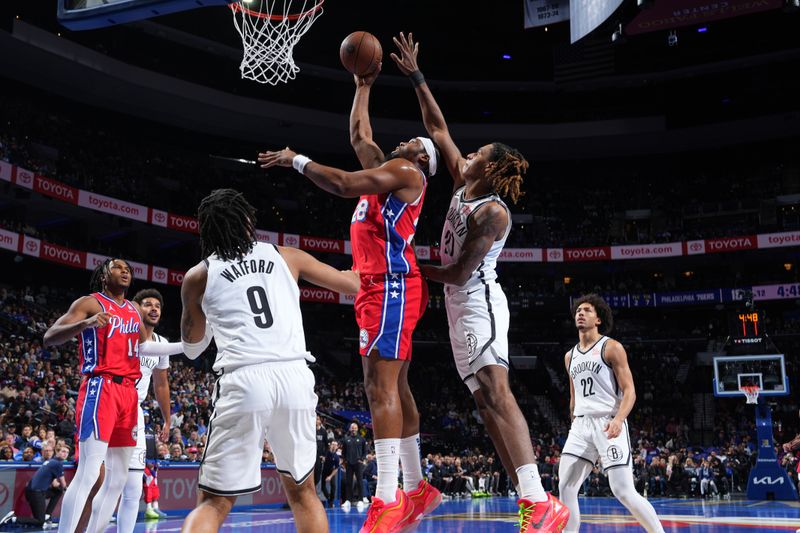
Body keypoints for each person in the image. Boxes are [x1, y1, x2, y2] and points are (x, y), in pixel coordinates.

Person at [390, 32, 568, 532]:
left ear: (489, 169)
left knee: (497, 391)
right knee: (484, 404)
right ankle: (529, 498)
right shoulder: (465, 182)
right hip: (456, 305)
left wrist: (403, 262)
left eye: (477, 151)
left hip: (477, 302)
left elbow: (459, 271)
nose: (465, 151)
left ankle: (539, 501)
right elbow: (438, 126)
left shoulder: (491, 211)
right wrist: (417, 77)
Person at [258, 74, 442, 532]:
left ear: (422, 158)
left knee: (380, 389)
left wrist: (296, 160)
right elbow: (360, 135)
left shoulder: (406, 172)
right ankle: (417, 487)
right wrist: (363, 83)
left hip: (393, 286)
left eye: (413, 140)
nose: (404, 139)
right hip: (376, 286)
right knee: (393, 388)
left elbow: (341, 184)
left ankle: (387, 499)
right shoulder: (386, 174)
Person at [178, 189, 359, 533]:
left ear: (208, 231)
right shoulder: (287, 256)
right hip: (293, 376)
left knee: (214, 502)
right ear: (248, 222)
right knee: (304, 492)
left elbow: (192, 346)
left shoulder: (197, 276)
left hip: (244, 379)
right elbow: (351, 285)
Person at [42, 258, 183, 533]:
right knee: (89, 472)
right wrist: (86, 324)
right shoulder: (90, 303)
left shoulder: (132, 310)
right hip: (100, 387)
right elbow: (50, 336)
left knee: (118, 479)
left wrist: (186, 347)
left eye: (128, 269)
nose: (125, 271)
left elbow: (145, 348)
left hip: (129, 396)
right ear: (104, 275)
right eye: (118, 267)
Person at [557, 294, 664, 533]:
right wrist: (574, 420)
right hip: (581, 425)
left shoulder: (611, 347)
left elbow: (630, 391)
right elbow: (574, 396)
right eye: (578, 311)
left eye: (586, 310)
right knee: (566, 486)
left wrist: (618, 419)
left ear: (598, 319)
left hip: (608, 422)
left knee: (623, 491)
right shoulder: (569, 356)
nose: (580, 314)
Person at [0, 445, 70, 528]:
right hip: (35, 493)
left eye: (67, 452)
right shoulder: (57, 464)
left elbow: (55, 484)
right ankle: (13, 519)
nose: (65, 454)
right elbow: (63, 484)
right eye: (63, 451)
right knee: (39, 522)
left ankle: (47, 516)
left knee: (57, 491)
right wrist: (68, 489)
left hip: (34, 491)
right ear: (57, 452)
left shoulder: (52, 461)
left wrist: (61, 487)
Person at [341, 422, 367, 505]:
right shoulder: (346, 439)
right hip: (349, 463)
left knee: (360, 481)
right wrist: (345, 461)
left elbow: (365, 451)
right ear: (350, 429)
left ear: (357, 429)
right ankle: (348, 500)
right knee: (348, 482)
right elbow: (343, 452)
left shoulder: (362, 439)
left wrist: (362, 459)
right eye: (352, 428)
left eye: (355, 428)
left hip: (358, 463)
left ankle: (360, 500)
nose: (353, 429)